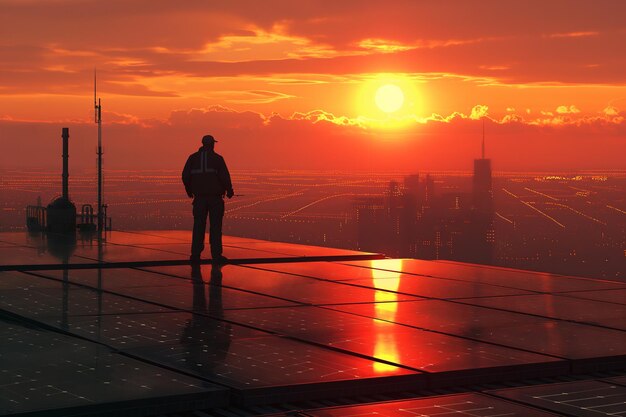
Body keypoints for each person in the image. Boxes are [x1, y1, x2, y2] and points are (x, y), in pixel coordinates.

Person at [182, 134, 234, 262]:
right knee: (216, 227)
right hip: (215, 199)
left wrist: (189, 190)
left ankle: (195, 255)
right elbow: (225, 177)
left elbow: (185, 176)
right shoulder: (217, 159)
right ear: (212, 144)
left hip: (199, 198)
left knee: (198, 226)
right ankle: (216, 255)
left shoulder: (193, 158)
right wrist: (229, 190)